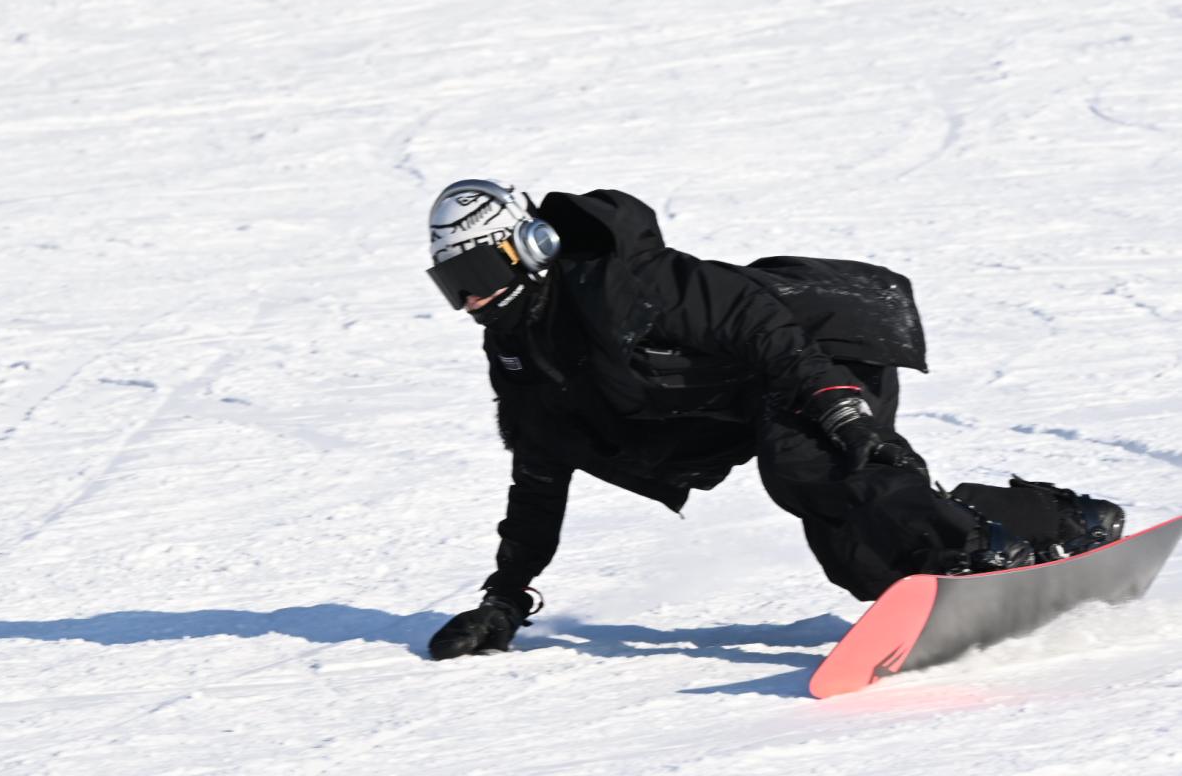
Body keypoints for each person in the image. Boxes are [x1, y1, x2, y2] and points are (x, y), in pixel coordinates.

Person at [422, 179, 1125, 661]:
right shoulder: (524, 353)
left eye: (478, 274)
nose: (472, 301)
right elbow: (539, 472)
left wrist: (841, 407)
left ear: (533, 247)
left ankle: (978, 554)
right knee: (860, 562)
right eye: (455, 286)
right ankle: (1055, 521)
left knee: (807, 465)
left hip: (820, 345)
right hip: (757, 390)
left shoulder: (626, 280)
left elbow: (764, 328)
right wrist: (505, 597)